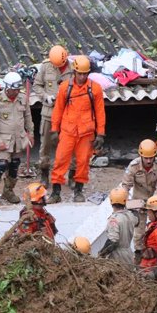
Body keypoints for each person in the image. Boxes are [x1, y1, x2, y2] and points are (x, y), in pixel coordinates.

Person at [50, 55, 106, 203]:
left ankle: (78, 192)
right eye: (79, 73)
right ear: (74, 72)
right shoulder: (65, 88)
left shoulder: (95, 89)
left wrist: (100, 134)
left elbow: (100, 112)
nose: (82, 76)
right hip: (68, 131)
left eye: (85, 74)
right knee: (60, 161)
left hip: (86, 133)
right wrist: (54, 129)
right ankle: (56, 193)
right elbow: (58, 109)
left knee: (83, 163)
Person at [0, 71, 34, 204]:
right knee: (0, 165)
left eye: (18, 88)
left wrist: (30, 133)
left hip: (18, 139)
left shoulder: (22, 98)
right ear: (7, 88)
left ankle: (8, 191)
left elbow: (28, 117)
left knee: (14, 165)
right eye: (14, 89)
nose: (17, 91)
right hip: (3, 139)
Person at [33, 45, 75, 186]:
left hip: (67, 114)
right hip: (49, 114)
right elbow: (37, 85)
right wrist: (46, 96)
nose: (57, 67)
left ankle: (72, 176)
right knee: (45, 146)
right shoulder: (45, 67)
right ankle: (44, 176)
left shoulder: (74, 68)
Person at [121, 139, 157, 261]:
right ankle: (138, 255)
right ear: (140, 155)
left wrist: (151, 205)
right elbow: (125, 186)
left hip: (156, 202)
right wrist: (126, 201)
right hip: (138, 202)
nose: (148, 161)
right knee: (139, 233)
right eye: (145, 158)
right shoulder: (133, 166)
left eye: (151, 158)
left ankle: (156, 255)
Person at [98, 188, 139, 264]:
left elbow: (113, 241)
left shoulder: (114, 219)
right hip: (128, 254)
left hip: (118, 257)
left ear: (111, 201)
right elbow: (137, 219)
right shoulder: (130, 216)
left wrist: (101, 253)